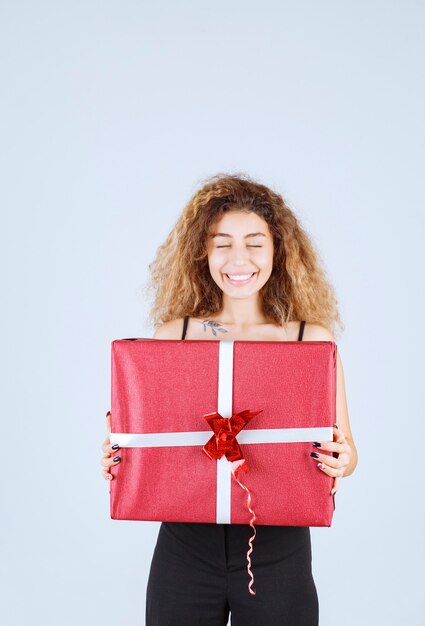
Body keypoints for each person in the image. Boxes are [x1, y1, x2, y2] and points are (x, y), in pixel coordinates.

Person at [100, 173, 358, 625]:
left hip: (278, 547)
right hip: (184, 547)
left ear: (278, 251)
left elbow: (348, 448)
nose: (239, 258)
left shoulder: (309, 342)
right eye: (223, 243)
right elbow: (147, 440)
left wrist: (344, 459)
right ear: (203, 252)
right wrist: (119, 457)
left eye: (255, 242)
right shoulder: (173, 335)